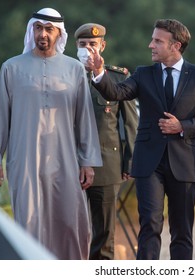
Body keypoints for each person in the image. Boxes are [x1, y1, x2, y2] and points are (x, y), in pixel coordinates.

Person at [88, 19, 195, 260]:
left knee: (182, 230)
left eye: (157, 41)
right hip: (148, 163)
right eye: (152, 39)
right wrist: (99, 73)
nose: (150, 45)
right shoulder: (143, 74)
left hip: (184, 163)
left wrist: (182, 126)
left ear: (176, 45)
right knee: (150, 226)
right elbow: (117, 93)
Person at [0, 8, 102, 260]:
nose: (43, 34)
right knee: (28, 220)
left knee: (71, 221)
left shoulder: (74, 69)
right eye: (38, 28)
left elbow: (85, 118)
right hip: (23, 157)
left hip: (66, 159)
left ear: (59, 34)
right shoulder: (11, 67)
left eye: (49, 29)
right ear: (31, 30)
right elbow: (0, 116)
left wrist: (88, 162)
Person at [74, 23, 139, 260]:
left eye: (93, 44)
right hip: (69, 161)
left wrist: (130, 162)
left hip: (107, 162)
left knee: (104, 236)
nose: (88, 49)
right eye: (83, 45)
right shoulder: (67, 75)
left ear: (103, 46)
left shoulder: (118, 77)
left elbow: (131, 123)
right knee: (71, 231)